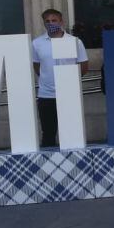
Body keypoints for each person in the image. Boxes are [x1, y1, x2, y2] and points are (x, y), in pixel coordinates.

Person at [31, 8, 89, 148]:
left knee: (71, 135)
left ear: (61, 21)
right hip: (46, 95)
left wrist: (69, 82)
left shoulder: (75, 41)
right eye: (47, 21)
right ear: (44, 23)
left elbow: (84, 66)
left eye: (54, 20)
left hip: (69, 95)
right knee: (48, 134)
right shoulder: (37, 43)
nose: (51, 23)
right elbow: (37, 66)